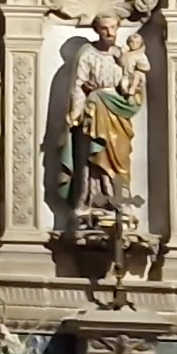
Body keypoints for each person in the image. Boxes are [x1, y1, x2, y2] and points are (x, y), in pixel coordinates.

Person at [55, 13, 146, 218]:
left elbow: (135, 82)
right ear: (97, 30)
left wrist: (133, 90)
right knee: (93, 156)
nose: (110, 33)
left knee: (121, 157)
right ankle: (91, 199)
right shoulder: (87, 54)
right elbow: (78, 86)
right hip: (94, 112)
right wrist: (75, 113)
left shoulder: (123, 55)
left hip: (118, 112)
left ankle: (120, 201)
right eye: (105, 28)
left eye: (113, 27)